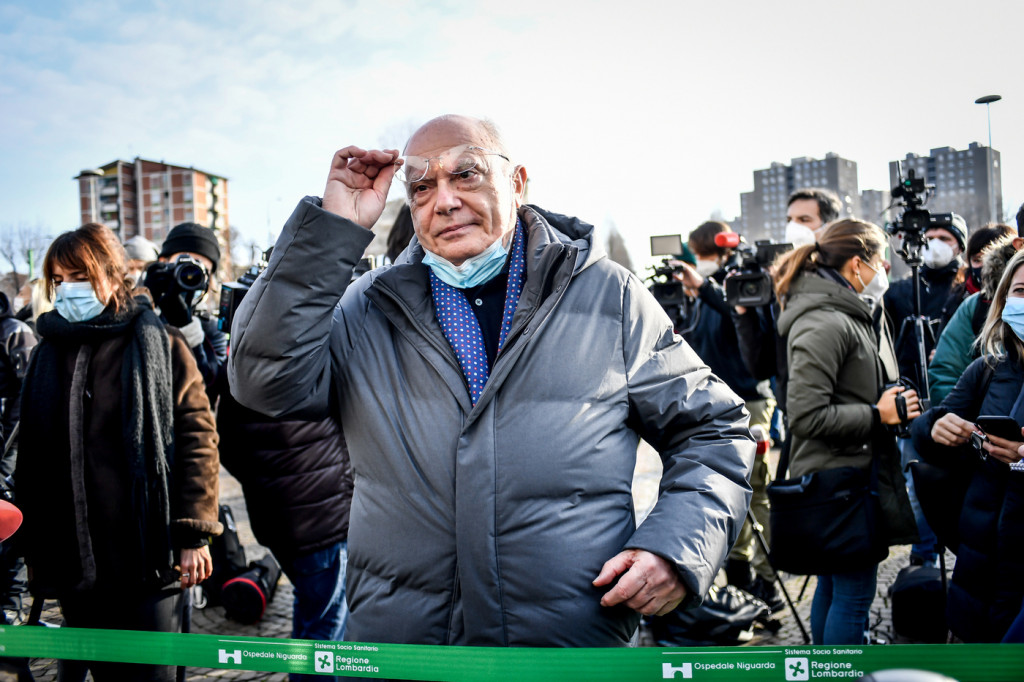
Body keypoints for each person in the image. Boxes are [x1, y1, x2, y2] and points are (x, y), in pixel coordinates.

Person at [228, 114, 754, 647]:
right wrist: (332, 232)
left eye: (467, 175)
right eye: (423, 186)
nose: (446, 200)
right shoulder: (366, 306)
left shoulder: (607, 296)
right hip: (407, 653)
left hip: (566, 654)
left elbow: (713, 429)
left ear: (518, 182)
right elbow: (260, 380)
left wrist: (676, 547)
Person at [15, 222, 222, 681]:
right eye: (60, 279)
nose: (69, 289)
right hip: (75, 565)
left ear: (114, 274)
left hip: (146, 563)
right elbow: (31, 452)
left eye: (81, 277)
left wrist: (193, 533)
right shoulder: (48, 352)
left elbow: (197, 437)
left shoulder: (158, 342)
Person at [773, 218, 920, 644]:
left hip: (848, 475)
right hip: (839, 484)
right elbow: (804, 415)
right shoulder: (826, 321)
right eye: (881, 262)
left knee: (835, 588)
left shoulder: (848, 314)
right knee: (853, 595)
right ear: (858, 265)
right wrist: (878, 415)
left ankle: (827, 667)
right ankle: (840, 671)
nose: (885, 272)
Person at [911, 248, 1024, 642]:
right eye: (1021, 290)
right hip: (979, 564)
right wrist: (935, 427)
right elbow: (930, 427)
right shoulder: (988, 368)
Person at [216, 374, 353, 681]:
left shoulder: (240, 361)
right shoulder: (315, 354)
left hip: (278, 520)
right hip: (323, 517)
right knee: (326, 628)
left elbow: (226, 447)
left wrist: (263, 483)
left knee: (310, 609)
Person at [672, 221, 779, 608]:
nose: (698, 263)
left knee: (755, 490)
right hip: (714, 402)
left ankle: (766, 579)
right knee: (724, 490)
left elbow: (744, 322)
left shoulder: (741, 285)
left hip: (750, 399)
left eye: (702, 254)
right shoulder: (704, 294)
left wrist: (702, 287)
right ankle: (739, 572)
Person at [154, 222, 228, 394]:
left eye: (199, 270)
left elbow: (209, 384)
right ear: (163, 263)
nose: (189, 275)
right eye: (183, 265)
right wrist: (147, 302)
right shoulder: (141, 306)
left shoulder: (212, 328)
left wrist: (186, 326)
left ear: (209, 279)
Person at [0, 291, 37, 626]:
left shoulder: (14, 332)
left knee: (9, 530)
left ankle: (11, 604)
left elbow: (24, 400)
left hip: (7, 454)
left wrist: (5, 454)